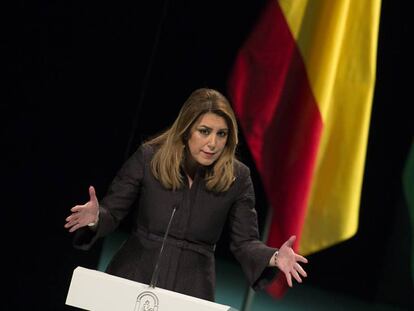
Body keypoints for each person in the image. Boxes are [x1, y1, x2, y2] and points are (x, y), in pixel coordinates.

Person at [64, 88, 308, 301]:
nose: (212, 143)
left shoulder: (238, 177)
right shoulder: (150, 157)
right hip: (134, 272)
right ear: (186, 129)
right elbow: (113, 212)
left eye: (221, 134)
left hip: (193, 286)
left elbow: (245, 242)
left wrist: (273, 257)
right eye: (204, 131)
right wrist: (96, 218)